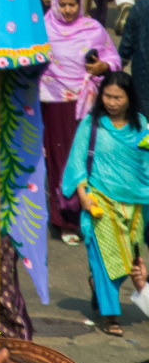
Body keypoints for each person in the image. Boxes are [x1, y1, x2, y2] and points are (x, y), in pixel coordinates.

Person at [64, 72, 149, 337]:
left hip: (135, 204)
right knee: (104, 259)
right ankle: (111, 315)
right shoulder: (91, 124)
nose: (111, 102)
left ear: (129, 98)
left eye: (118, 97)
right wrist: (83, 194)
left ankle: (97, 287)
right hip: (100, 201)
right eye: (107, 96)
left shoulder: (141, 125)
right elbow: (77, 161)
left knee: (126, 262)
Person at [43, 0, 121, 243]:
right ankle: (65, 220)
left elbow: (113, 59)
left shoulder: (93, 28)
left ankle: (92, 214)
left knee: (91, 159)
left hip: (88, 104)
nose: (67, 10)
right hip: (55, 103)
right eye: (63, 4)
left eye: (72, 4)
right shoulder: (45, 29)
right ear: (56, 4)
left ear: (80, 4)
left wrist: (102, 67)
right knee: (62, 159)